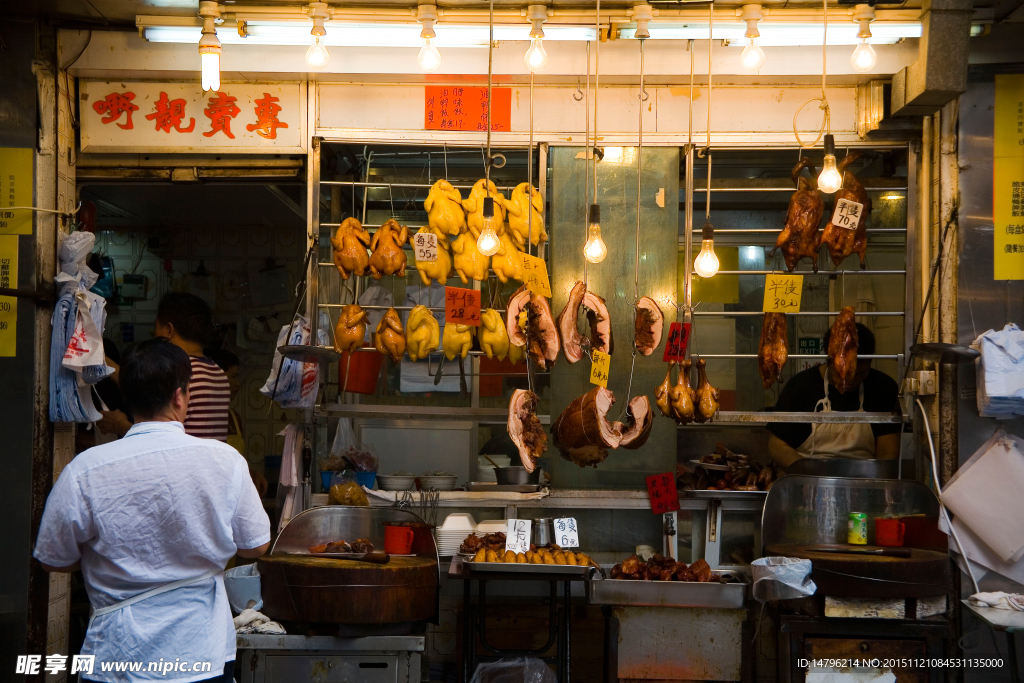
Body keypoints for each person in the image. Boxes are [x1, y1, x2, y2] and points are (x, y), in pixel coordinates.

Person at [34, 338, 270, 683]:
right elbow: (256, 546)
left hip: (115, 658)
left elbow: (52, 559)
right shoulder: (225, 461)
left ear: (127, 398)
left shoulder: (85, 469)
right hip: (200, 654)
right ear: (180, 396)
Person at [767, 322, 901, 469]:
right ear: (829, 361)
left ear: (869, 363)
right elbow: (777, 445)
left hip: (863, 479)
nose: (850, 381)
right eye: (842, 374)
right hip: (806, 478)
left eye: (859, 374)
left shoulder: (883, 388)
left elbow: (888, 452)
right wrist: (807, 473)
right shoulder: (800, 386)